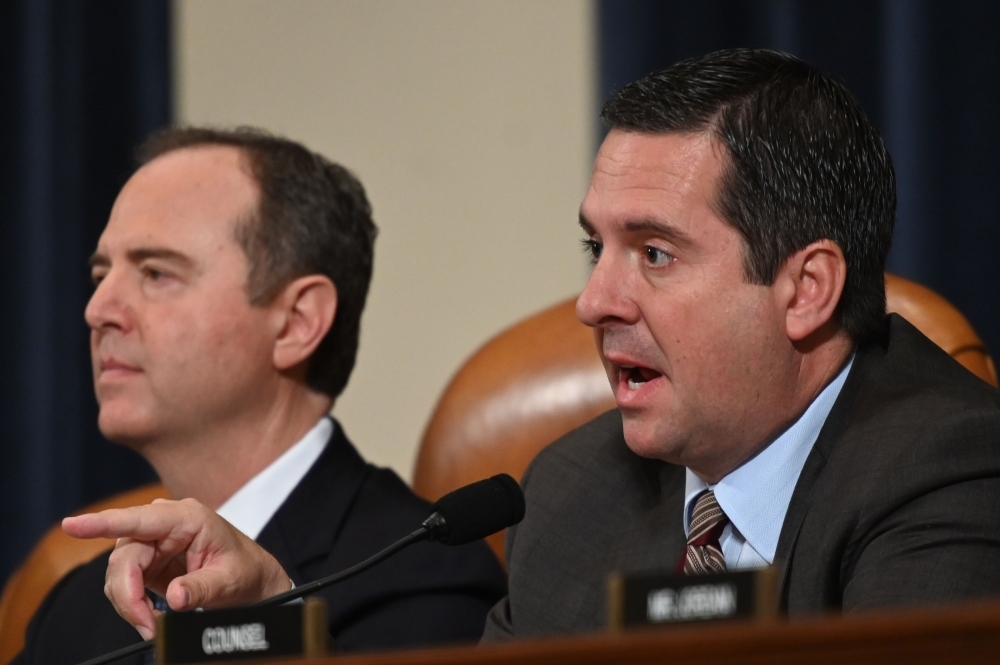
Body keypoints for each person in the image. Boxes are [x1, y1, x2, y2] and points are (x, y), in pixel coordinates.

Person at [61, 48, 1000, 642]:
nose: (595, 300)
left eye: (656, 253)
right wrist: (276, 625)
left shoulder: (947, 467)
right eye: (599, 248)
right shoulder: (573, 488)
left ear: (806, 289)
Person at [14, 127, 506, 664]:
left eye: (156, 273)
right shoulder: (74, 609)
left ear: (296, 322)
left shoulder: (425, 577)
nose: (97, 310)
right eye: (101, 273)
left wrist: (277, 616)